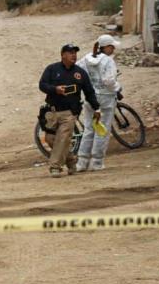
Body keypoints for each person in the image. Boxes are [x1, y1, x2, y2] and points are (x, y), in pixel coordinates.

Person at [39, 44, 101, 178]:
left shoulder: (80, 73)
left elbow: (89, 92)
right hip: (52, 112)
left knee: (63, 138)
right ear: (63, 55)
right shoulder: (52, 69)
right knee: (51, 139)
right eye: (70, 52)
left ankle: (55, 166)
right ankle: (72, 161)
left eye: (75, 53)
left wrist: (97, 108)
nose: (74, 55)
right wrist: (55, 89)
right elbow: (42, 85)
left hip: (69, 113)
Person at [76, 34, 122, 172]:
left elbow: (77, 71)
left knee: (89, 129)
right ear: (106, 47)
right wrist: (117, 88)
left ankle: (82, 162)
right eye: (112, 47)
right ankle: (97, 162)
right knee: (102, 129)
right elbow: (109, 81)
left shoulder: (86, 59)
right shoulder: (108, 61)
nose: (113, 49)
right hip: (106, 99)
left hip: (91, 98)